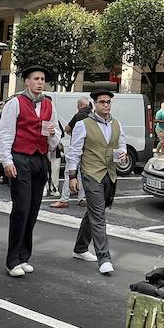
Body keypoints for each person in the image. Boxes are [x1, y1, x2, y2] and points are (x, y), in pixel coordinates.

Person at [0, 63, 59, 277]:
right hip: (20, 158)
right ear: (27, 82)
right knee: (21, 208)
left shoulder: (49, 104)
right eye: (36, 79)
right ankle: (12, 260)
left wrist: (50, 134)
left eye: (42, 79)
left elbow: (55, 137)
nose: (40, 82)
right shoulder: (15, 103)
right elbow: (4, 133)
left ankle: (24, 256)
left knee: (33, 209)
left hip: (40, 159)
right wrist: (6, 161)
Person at [67, 85, 128, 276]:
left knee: (94, 212)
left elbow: (121, 145)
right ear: (95, 104)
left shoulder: (117, 124)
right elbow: (74, 152)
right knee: (99, 215)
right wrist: (71, 177)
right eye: (102, 102)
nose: (106, 105)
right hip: (91, 174)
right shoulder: (83, 124)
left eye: (109, 102)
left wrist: (123, 155)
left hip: (110, 174)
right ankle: (104, 258)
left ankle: (80, 248)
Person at [51, 95, 91, 209]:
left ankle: (64, 199)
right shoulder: (93, 115)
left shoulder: (79, 115)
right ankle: (82, 198)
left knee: (69, 172)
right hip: (88, 150)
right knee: (83, 174)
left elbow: (67, 129)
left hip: (77, 149)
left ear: (80, 105)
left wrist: (75, 134)